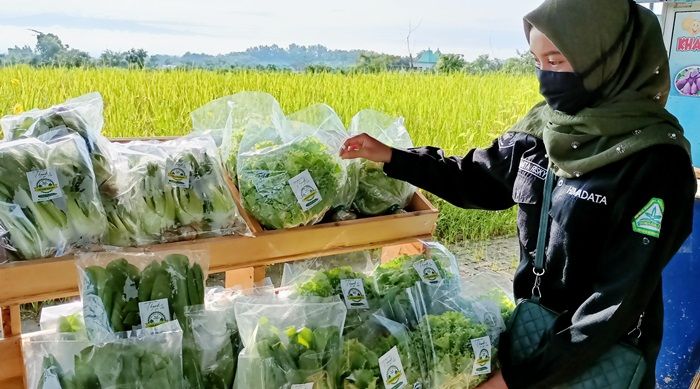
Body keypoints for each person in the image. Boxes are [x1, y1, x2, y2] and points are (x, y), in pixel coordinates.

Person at [340, 0, 697, 388]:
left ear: (608, 59)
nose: (545, 77)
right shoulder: (543, 130)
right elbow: (477, 178)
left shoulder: (656, 162)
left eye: (557, 61)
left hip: (599, 356)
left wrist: (514, 379)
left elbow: (616, 304)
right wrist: (394, 157)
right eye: (536, 61)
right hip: (532, 332)